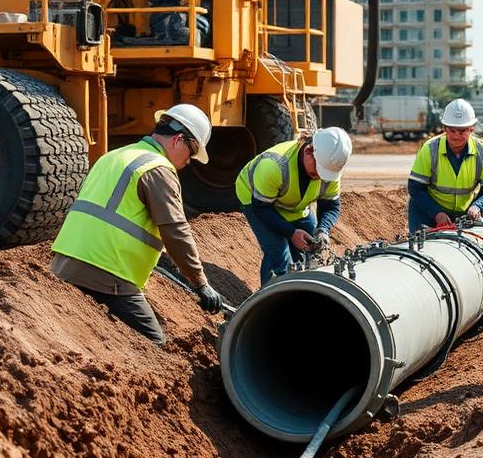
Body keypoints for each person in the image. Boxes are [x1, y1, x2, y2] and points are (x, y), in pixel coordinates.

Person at [51, 104, 224, 345]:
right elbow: (176, 231)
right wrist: (200, 284)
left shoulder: (113, 156)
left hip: (63, 264)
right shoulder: (158, 169)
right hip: (106, 271)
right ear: (178, 140)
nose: (189, 161)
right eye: (192, 151)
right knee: (154, 344)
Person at [236, 127, 352, 286]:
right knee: (278, 251)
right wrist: (291, 233)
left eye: (325, 173)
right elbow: (262, 208)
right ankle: (271, 294)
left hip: (292, 201)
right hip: (257, 198)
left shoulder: (329, 171)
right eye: (318, 169)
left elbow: (331, 206)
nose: (321, 176)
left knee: (311, 249)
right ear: (308, 151)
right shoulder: (274, 166)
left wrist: (323, 230)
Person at [407, 98, 483, 232]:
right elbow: (415, 187)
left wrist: (477, 206)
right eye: (452, 130)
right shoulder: (430, 149)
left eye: (462, 131)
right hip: (427, 212)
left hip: (464, 214)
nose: (456, 136)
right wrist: (436, 212)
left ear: (471, 129)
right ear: (445, 128)